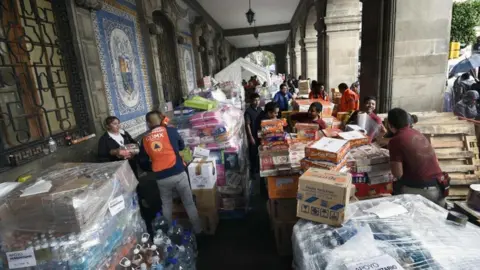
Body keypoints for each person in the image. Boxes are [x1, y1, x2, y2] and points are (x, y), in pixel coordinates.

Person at [138, 111, 202, 233]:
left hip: (161, 177)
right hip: (178, 173)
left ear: (148, 123)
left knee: (166, 205)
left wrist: (152, 166)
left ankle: (167, 232)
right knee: (188, 202)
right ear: (161, 119)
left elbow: (143, 160)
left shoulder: (145, 139)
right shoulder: (171, 131)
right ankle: (198, 229)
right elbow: (182, 146)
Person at [387, 108, 446, 206]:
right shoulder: (417, 133)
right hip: (440, 187)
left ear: (389, 124)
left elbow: (398, 174)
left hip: (423, 191)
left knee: (395, 187)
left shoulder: (395, 140)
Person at [245, 93, 263, 174]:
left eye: (258, 100)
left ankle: (259, 168)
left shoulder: (260, 110)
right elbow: (247, 125)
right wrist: (251, 137)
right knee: (253, 153)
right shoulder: (248, 112)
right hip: (253, 135)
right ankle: (253, 171)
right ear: (251, 101)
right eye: (255, 100)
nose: (257, 102)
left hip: (260, 135)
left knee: (260, 152)